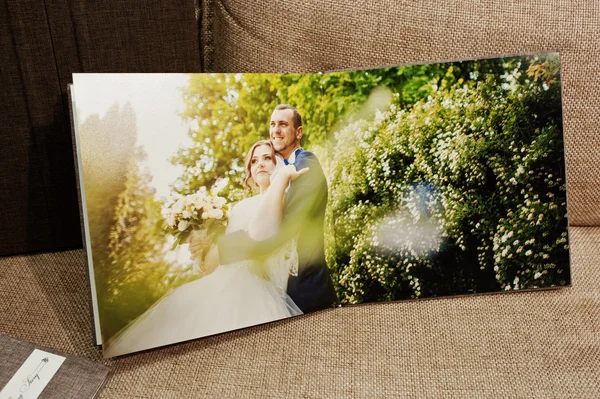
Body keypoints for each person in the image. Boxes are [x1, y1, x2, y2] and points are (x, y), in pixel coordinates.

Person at [103, 140, 306, 358]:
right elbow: (214, 262)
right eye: (254, 161)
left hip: (252, 287)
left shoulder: (282, 197)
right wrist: (202, 248)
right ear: (249, 172)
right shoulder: (239, 207)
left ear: (279, 163)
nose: (260, 164)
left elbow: (265, 237)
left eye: (267, 158)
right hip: (220, 281)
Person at [215, 104, 338, 313]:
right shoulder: (282, 174)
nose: (276, 130)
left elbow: (284, 229)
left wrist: (222, 248)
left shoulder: (306, 163)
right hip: (281, 292)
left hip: (307, 290)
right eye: (273, 124)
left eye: (283, 124)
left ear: (298, 132)